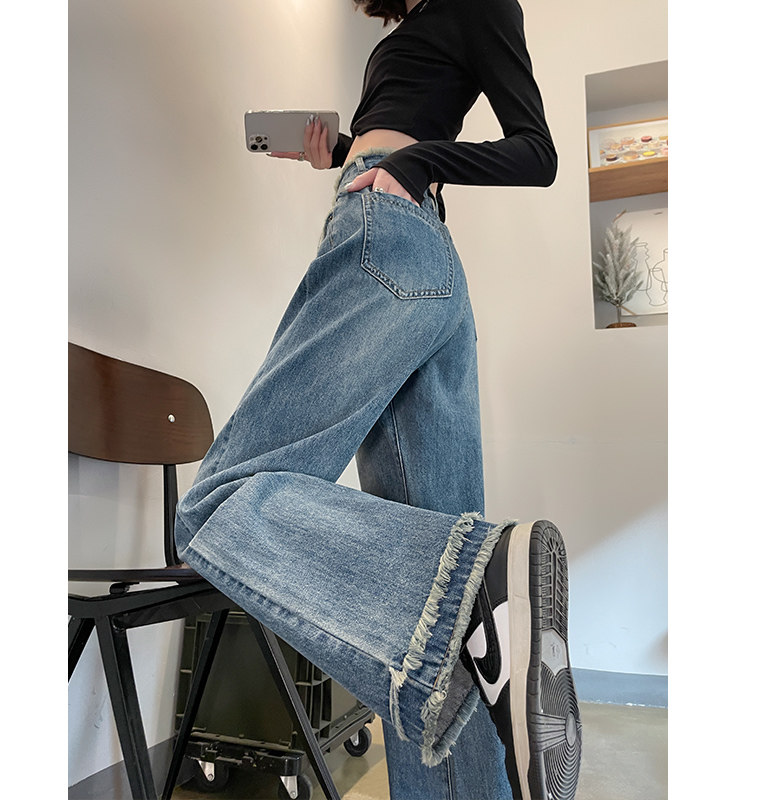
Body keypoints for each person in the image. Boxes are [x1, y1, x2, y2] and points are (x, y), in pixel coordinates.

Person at [175, 1, 581, 798]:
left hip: (388, 231)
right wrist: (336, 153)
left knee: (216, 504)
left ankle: (476, 591)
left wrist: (417, 163)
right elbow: (397, 127)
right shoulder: (407, 30)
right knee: (442, 629)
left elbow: (536, 152)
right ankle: (480, 612)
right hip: (414, 252)